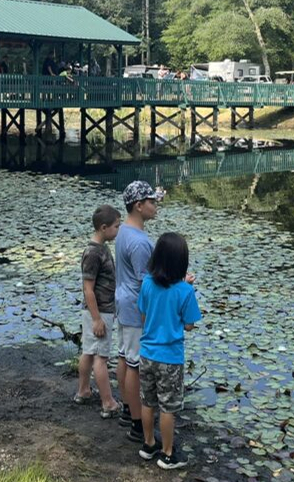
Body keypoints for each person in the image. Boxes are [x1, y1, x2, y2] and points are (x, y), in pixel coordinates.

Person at [136, 232, 201, 470]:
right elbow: (189, 324)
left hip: (146, 354)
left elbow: (144, 315)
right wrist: (186, 287)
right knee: (168, 407)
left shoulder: (147, 284)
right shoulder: (185, 291)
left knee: (148, 401)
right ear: (181, 263)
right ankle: (167, 453)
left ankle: (149, 444)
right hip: (170, 359)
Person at [114, 180, 162, 443]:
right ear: (139, 205)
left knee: (124, 356)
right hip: (135, 308)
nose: (156, 206)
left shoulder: (122, 231)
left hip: (123, 301)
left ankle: (126, 408)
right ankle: (136, 422)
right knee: (134, 364)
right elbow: (146, 283)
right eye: (152, 201)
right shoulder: (141, 242)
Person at [74, 205, 123, 418]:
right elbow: (88, 289)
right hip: (99, 311)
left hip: (98, 311)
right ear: (103, 228)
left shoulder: (101, 248)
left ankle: (83, 391)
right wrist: (97, 319)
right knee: (101, 357)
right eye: (116, 226)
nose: (118, 230)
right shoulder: (93, 253)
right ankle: (108, 402)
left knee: (88, 351)